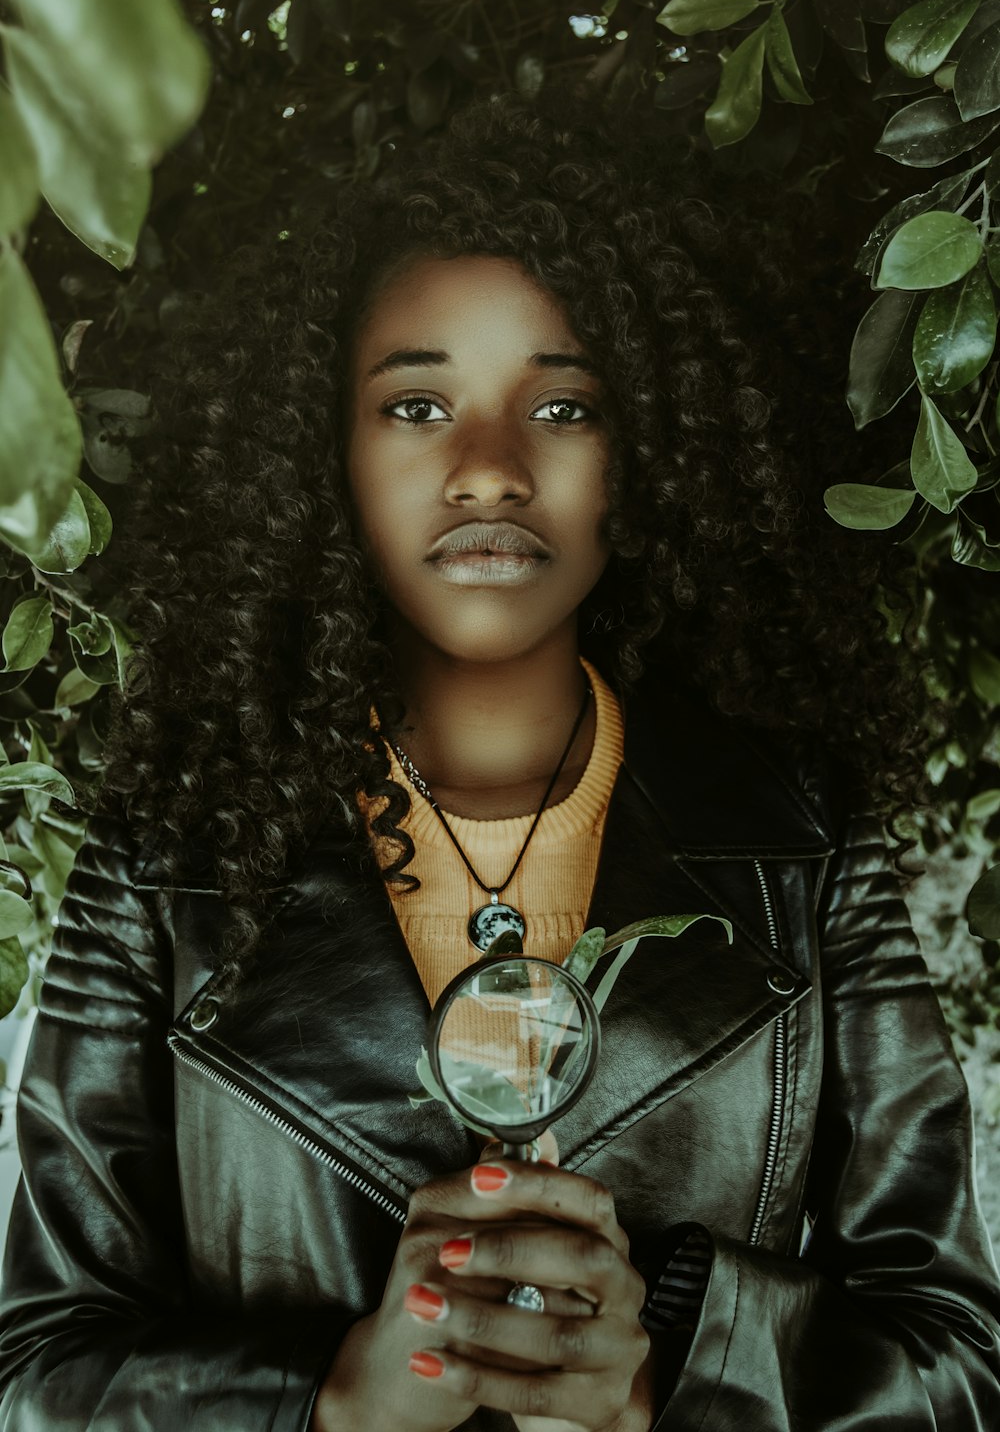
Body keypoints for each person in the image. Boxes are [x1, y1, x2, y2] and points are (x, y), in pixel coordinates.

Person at [0, 81, 998, 1432]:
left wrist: (669, 1372)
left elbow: (959, 1364)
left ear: (642, 452)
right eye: (415, 408)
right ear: (328, 453)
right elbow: (34, 1373)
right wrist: (332, 1409)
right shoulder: (167, 860)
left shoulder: (802, 843)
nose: (487, 469)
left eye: (565, 406)